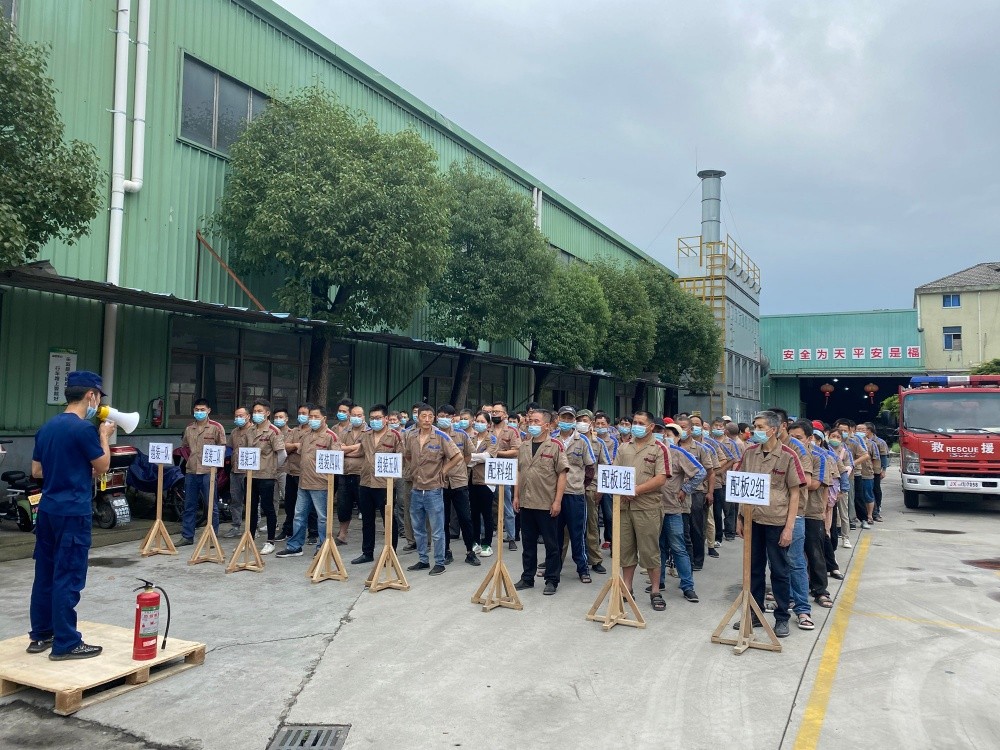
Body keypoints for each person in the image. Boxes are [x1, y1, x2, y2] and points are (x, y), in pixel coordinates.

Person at [28, 370, 115, 659]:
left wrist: (67, 468)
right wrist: (104, 436)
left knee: (45, 572)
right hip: (73, 511)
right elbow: (102, 466)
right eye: (98, 397)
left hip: (48, 509)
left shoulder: (47, 427)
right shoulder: (84, 429)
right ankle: (66, 642)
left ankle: (41, 634)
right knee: (68, 574)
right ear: (91, 395)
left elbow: (36, 471)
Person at [734, 411, 805, 638]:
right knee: (753, 570)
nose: (755, 431)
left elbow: (795, 494)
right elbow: (742, 486)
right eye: (754, 426)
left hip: (777, 521)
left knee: (780, 571)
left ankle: (782, 617)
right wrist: (739, 518)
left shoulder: (788, 456)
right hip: (753, 521)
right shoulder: (749, 453)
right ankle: (754, 614)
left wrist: (789, 528)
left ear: (773, 430)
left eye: (760, 427)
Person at [614, 411, 670, 611]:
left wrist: (635, 490)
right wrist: (622, 490)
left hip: (647, 507)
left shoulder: (659, 448)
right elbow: (615, 471)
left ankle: (655, 591)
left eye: (640, 423)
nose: (636, 426)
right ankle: (627, 588)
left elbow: (661, 478)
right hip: (624, 507)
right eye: (634, 422)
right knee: (626, 550)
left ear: (651, 426)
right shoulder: (623, 447)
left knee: (650, 551)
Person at [513, 409, 569, 595]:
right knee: (528, 544)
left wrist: (557, 501)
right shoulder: (524, 446)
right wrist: (516, 496)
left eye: (536, 421)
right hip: (526, 502)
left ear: (546, 425)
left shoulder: (555, 446)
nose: (532, 424)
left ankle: (552, 580)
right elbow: (519, 471)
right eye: (530, 421)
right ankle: (527, 577)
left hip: (546, 503)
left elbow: (562, 474)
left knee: (551, 545)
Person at [405, 403, 463, 575]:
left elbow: (457, 456)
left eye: (430, 416)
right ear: (418, 418)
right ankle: (423, 559)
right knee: (418, 528)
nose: (427, 420)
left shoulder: (441, 436)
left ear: (434, 418)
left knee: (437, 530)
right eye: (424, 416)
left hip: (434, 489)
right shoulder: (411, 436)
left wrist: (443, 471)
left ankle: (439, 562)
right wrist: (414, 470)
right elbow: (407, 455)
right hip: (416, 488)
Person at [276, 406, 339, 558]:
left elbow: (336, 461)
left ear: (324, 418)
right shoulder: (306, 435)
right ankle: (295, 546)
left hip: (321, 484)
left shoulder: (331, 436)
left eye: (316, 417)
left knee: (322, 518)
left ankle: (323, 546)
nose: (312, 420)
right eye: (311, 417)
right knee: (299, 515)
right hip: (303, 482)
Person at [346, 404, 402, 564]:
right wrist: (342, 454)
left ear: (386, 419)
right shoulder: (366, 435)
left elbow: (401, 458)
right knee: (367, 520)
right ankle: (367, 553)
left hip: (385, 485)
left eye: (378, 418)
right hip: (365, 482)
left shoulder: (395, 436)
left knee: (388, 520)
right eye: (372, 418)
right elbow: (360, 453)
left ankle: (391, 553)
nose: (375, 421)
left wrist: (394, 480)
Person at [656, 422, 704, 603]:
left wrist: (685, 489)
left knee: (678, 547)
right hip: (654, 508)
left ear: (677, 437)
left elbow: (700, 472)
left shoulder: (679, 453)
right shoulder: (654, 452)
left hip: (672, 508)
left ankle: (687, 586)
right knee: (658, 547)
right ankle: (659, 581)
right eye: (663, 433)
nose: (665, 437)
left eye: (669, 434)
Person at [554, 406, 594, 583]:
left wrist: (581, 485)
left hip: (575, 494)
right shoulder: (552, 439)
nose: (566, 421)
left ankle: (583, 569)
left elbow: (590, 467)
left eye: (570, 418)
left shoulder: (582, 440)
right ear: (558, 419)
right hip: (555, 495)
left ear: (574, 421)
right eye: (563, 418)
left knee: (578, 534)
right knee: (555, 535)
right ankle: (554, 567)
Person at [178, 398, 226, 546]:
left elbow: (222, 448)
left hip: (208, 472)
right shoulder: (189, 428)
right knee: (189, 505)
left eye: (202, 410)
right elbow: (185, 446)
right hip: (192, 471)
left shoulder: (216, 427)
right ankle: (187, 536)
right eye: (197, 410)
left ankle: (212, 536)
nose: (199, 412)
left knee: (211, 505)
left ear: (209, 410)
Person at [436, 405, 479, 566]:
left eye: (448, 416)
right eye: (441, 416)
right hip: (441, 483)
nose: (444, 419)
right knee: (443, 519)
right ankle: (446, 551)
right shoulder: (434, 435)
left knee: (465, 518)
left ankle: (470, 552)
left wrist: (460, 467)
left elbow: (468, 455)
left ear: (453, 417)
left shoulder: (461, 434)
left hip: (459, 481)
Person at [247, 398, 286, 555]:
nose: (256, 414)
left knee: (268, 507)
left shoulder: (273, 431)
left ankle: (270, 541)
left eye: (260, 411)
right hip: (251, 475)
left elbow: (282, 454)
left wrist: (273, 468)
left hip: (267, 475)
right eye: (255, 411)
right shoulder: (250, 430)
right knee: (250, 507)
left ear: (267, 413)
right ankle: (248, 539)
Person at [490, 401, 521, 551]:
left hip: (505, 470)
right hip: (489, 469)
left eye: (498, 412)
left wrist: (497, 453)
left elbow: (516, 450)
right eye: (493, 412)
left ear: (505, 414)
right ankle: (485, 535)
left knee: (507, 505)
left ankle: (511, 537)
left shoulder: (512, 431)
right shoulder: (487, 429)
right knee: (487, 504)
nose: (495, 414)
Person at [468, 410, 498, 558]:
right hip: (471, 479)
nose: (479, 424)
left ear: (488, 424)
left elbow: (487, 456)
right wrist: (475, 458)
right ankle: (476, 541)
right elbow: (465, 457)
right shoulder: (471, 439)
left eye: (482, 422)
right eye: (477, 421)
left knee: (487, 513)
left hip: (486, 481)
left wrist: (471, 458)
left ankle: (487, 543)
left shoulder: (492, 439)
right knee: (474, 512)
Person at [223, 406, 252, 537]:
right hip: (235, 470)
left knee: (251, 500)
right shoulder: (234, 432)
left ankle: (253, 527)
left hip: (249, 472)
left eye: (241, 416)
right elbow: (229, 448)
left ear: (248, 416)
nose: (238, 418)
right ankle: (236, 526)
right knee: (235, 500)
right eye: (236, 416)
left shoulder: (254, 431)